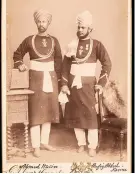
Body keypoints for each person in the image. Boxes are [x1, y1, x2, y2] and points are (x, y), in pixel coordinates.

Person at [61, 10, 112, 157]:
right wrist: (64, 84)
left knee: (90, 116)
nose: (79, 30)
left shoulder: (97, 45)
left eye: (82, 27)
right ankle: (81, 144)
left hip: (89, 86)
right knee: (75, 114)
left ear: (90, 29)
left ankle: (92, 146)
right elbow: (64, 67)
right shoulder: (71, 45)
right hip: (73, 86)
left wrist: (101, 83)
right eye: (78, 27)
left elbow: (107, 64)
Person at [13, 9, 62, 157]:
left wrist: (58, 79)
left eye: (44, 21)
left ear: (48, 23)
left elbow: (59, 60)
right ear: (36, 22)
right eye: (39, 21)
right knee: (35, 112)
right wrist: (20, 64)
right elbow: (17, 54)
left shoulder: (54, 40)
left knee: (48, 111)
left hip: (51, 78)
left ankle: (44, 142)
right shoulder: (29, 40)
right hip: (35, 79)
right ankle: (35, 146)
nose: (42, 24)